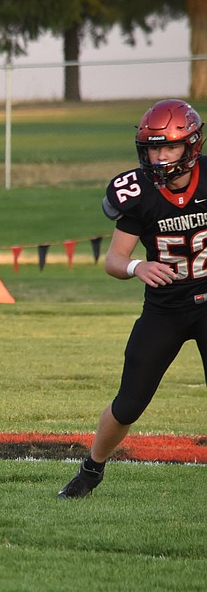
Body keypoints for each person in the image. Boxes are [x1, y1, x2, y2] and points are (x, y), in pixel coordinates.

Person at [59, 98, 207, 498]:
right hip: (165, 310)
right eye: (153, 148)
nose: (159, 156)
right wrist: (137, 267)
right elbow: (113, 260)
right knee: (129, 403)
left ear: (191, 146)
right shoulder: (138, 191)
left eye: (168, 147)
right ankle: (91, 470)